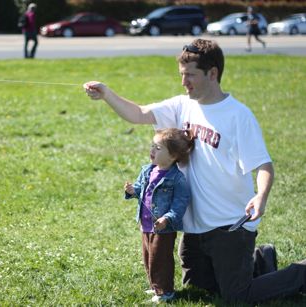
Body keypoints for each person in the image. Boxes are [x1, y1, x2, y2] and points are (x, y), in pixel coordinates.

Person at [83, 39, 306, 303]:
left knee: (237, 296)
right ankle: (261, 258)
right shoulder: (182, 106)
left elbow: (264, 166)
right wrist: (107, 94)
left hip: (230, 225)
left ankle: (301, 271)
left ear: (212, 73)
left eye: (190, 75)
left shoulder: (238, 115)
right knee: (200, 288)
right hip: (194, 229)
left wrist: (261, 196)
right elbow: (139, 113)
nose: (183, 82)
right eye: (181, 75)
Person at [124, 128, 194, 303]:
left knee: (159, 259)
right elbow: (141, 189)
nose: (152, 150)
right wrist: (133, 191)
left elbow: (180, 203)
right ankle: (156, 286)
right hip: (146, 224)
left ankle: (166, 292)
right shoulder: (148, 170)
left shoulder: (177, 179)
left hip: (163, 228)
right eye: (152, 146)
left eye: (158, 148)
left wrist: (167, 218)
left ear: (172, 156)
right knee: (148, 257)